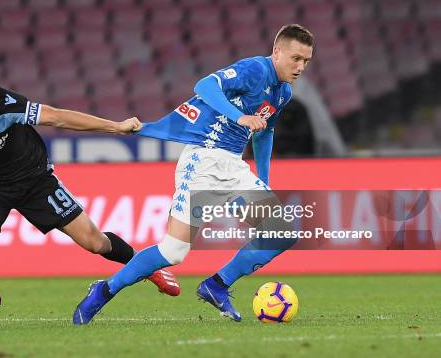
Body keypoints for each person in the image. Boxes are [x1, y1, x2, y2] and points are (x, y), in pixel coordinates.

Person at [0, 69, 181, 327]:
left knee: (95, 242)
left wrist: (115, 127)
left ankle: (146, 268)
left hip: (36, 181)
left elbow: (56, 117)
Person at [73, 24, 314, 325]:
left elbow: (265, 133)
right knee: (173, 251)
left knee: (281, 231)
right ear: (277, 52)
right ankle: (103, 291)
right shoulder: (254, 69)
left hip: (231, 166)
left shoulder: (283, 93)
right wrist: (239, 116)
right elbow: (204, 86)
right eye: (296, 58)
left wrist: (263, 179)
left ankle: (216, 285)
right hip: (201, 160)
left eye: (306, 61)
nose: (301, 66)